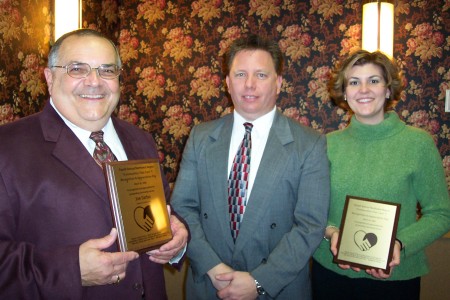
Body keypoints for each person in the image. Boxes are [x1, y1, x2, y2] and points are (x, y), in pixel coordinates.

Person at [0, 29, 188, 299]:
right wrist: (71, 269)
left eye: (107, 70)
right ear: (50, 78)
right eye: (77, 69)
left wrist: (178, 237)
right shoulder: (7, 149)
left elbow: (164, 213)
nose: (94, 81)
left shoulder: (140, 140)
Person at [170, 34, 330, 299]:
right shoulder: (200, 137)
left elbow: (310, 225)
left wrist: (259, 281)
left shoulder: (309, 144)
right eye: (241, 74)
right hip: (209, 285)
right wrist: (213, 268)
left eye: (261, 75)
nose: (250, 85)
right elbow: (184, 208)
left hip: (278, 288)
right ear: (227, 83)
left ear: (278, 83)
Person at [311, 50, 450, 300]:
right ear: (344, 92)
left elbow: (441, 214)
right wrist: (332, 232)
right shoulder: (325, 145)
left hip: (394, 280)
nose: (364, 89)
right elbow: (309, 211)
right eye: (354, 82)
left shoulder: (418, 144)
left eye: (373, 80)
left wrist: (399, 243)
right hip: (330, 275)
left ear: (388, 89)